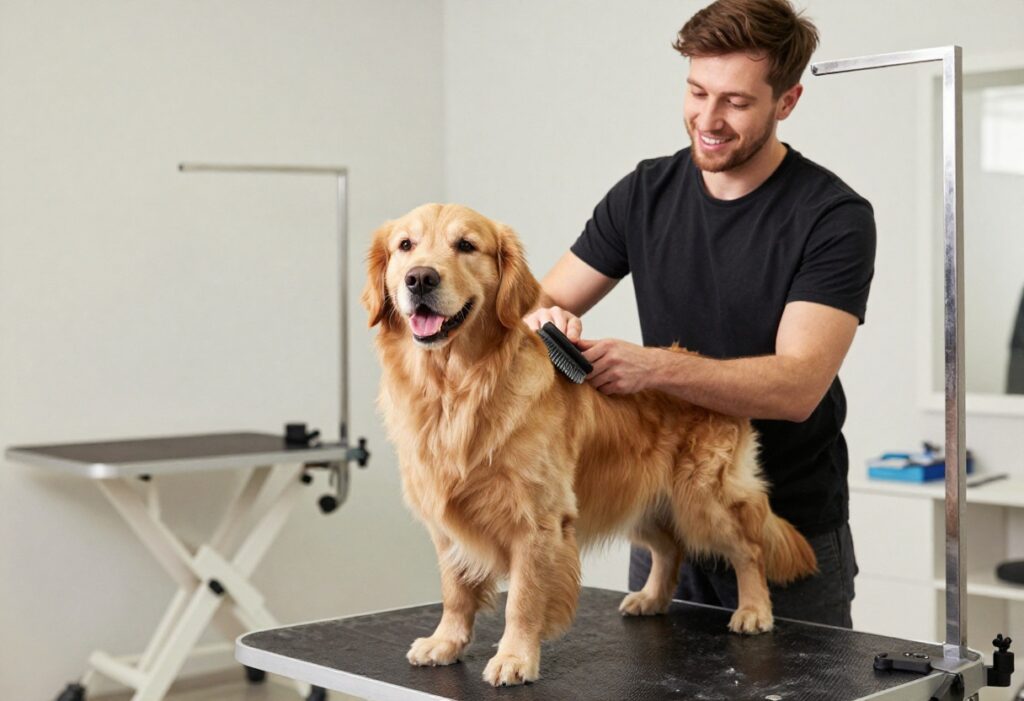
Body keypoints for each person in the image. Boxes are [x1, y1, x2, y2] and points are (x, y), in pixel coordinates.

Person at [523, 0, 876, 628]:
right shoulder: (643, 193)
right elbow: (538, 304)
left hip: (783, 520)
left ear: (787, 101)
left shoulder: (832, 217)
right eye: (696, 92)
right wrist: (549, 323)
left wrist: (654, 368)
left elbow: (798, 387)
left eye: (735, 102)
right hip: (661, 518)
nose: (708, 120)